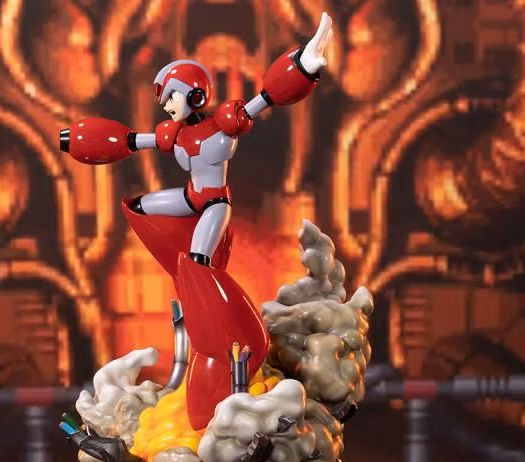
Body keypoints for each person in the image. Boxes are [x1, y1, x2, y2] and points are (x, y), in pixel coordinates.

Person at [60, 13, 334, 430]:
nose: (166, 105)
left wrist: (304, 66)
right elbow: (129, 141)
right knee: (141, 207)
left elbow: (266, 97)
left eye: (170, 96)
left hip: (214, 205)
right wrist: (77, 140)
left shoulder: (223, 125)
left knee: (198, 262)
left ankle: (224, 334)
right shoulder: (174, 133)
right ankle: (195, 302)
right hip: (190, 199)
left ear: (193, 94)